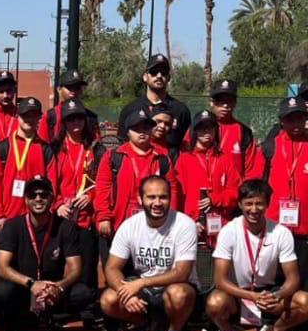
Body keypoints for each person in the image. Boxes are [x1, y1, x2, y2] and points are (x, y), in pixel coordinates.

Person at [207, 179, 308, 331]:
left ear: (268, 204)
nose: (254, 209)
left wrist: (277, 295)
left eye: (259, 203)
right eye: (249, 203)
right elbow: (220, 280)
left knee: (305, 301)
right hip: (237, 295)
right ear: (240, 204)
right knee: (215, 302)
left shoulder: (281, 232)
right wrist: (251, 296)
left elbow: (293, 279)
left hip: (268, 295)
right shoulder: (229, 231)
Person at [99, 175, 199, 331]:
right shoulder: (129, 225)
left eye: (163, 197)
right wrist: (124, 292)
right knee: (109, 300)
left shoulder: (185, 224)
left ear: (170, 198)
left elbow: (182, 273)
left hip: (176, 286)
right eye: (151, 197)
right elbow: (112, 267)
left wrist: (141, 283)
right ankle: (145, 325)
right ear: (140, 199)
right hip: (145, 290)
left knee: (178, 294)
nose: (157, 203)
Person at [0, 176, 90, 331]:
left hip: (52, 290)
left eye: (43, 195)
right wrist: (31, 284)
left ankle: (55, 322)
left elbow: (75, 268)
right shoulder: (12, 226)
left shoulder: (66, 227)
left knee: (82, 293)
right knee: (0, 292)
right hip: (23, 288)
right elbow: (1, 267)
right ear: (26, 200)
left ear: (52, 198)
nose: (38, 199)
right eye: (32, 195)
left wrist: (58, 287)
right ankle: (15, 321)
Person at [93, 109, 176, 241]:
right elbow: (103, 189)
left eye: (146, 128)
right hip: (118, 225)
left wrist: (171, 220)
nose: (142, 132)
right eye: (137, 129)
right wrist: (103, 217)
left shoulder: (162, 158)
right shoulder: (113, 156)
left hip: (154, 227)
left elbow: (172, 191)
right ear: (128, 132)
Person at [52, 98, 105, 296]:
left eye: (79, 119)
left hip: (85, 218)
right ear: (63, 122)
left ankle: (87, 310)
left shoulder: (96, 149)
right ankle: (57, 309)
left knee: (87, 268)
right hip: (61, 217)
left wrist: (91, 196)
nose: (76, 124)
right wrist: (57, 204)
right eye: (70, 119)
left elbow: (104, 181)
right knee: (56, 266)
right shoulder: (55, 148)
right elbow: (49, 182)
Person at [0, 97, 55, 232]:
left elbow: (52, 184)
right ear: (17, 116)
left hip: (37, 219)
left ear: (39, 118)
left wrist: (49, 211)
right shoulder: (3, 147)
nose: (29, 120)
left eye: (34, 116)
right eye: (25, 116)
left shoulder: (45, 149)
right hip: (8, 218)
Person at [262, 95, 308, 287]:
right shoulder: (270, 146)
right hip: (275, 229)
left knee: (302, 286)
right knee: (274, 283)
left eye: (300, 117)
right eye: (290, 118)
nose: (295, 123)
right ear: (281, 120)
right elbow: (258, 186)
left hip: (305, 231)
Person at [174, 109, 239, 230]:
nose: (207, 131)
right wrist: (190, 221)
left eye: (210, 127)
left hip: (221, 223)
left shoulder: (225, 159)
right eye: (202, 127)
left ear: (216, 131)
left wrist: (215, 199)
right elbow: (178, 195)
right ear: (195, 131)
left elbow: (235, 191)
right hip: (192, 224)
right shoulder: (184, 159)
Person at [117, 54, 191, 153]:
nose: (159, 76)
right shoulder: (130, 110)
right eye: (154, 72)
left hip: (172, 166)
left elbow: (188, 146)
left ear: (168, 78)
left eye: (163, 73)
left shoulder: (181, 110)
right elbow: (122, 145)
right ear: (145, 77)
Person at [209, 78, 262, 179]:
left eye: (229, 101)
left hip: (235, 191)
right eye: (220, 101)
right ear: (212, 102)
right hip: (205, 190)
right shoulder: (199, 127)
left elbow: (251, 170)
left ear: (235, 103)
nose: (225, 105)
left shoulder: (244, 131)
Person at [39, 69, 100, 145]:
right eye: (70, 87)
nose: (74, 91)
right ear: (59, 89)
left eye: (77, 87)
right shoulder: (50, 116)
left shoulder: (91, 117)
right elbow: (42, 146)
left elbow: (96, 147)